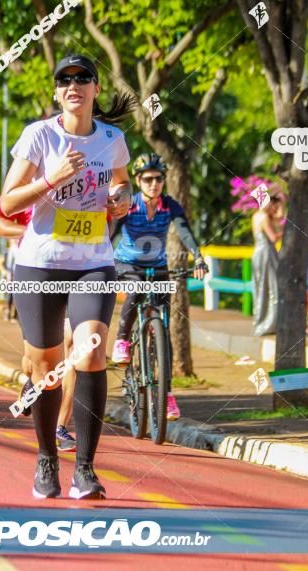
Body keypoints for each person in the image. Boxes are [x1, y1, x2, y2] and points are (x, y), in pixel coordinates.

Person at [0, 54, 135, 499]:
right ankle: (45, 460)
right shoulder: (39, 136)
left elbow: (121, 183)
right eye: (65, 79)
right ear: (57, 92)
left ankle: (85, 469)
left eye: (82, 78)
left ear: (96, 89)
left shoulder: (113, 139)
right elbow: (8, 204)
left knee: (92, 354)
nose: (73, 85)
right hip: (40, 263)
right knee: (45, 369)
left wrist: (120, 199)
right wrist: (50, 180)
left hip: (94, 261)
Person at [109, 153, 208, 421]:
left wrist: (197, 257)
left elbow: (184, 231)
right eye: (148, 179)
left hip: (159, 265)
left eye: (159, 179)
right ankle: (121, 341)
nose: (154, 184)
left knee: (163, 327)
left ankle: (166, 395)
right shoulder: (131, 205)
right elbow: (113, 232)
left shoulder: (170, 205)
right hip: (127, 264)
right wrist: (101, 254)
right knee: (138, 285)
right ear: (138, 180)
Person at [0, 197, 77, 452]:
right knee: (34, 359)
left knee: (73, 347)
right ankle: (32, 382)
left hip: (78, 274)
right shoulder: (30, 182)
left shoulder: (86, 179)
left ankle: (60, 426)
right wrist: (28, 232)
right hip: (35, 276)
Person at [251, 195, 283, 336]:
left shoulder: (256, 216)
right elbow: (273, 238)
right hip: (266, 253)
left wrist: (281, 210)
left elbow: (278, 217)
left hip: (258, 252)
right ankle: (269, 323)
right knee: (272, 286)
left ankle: (260, 320)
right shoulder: (264, 217)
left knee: (260, 287)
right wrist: (286, 232)